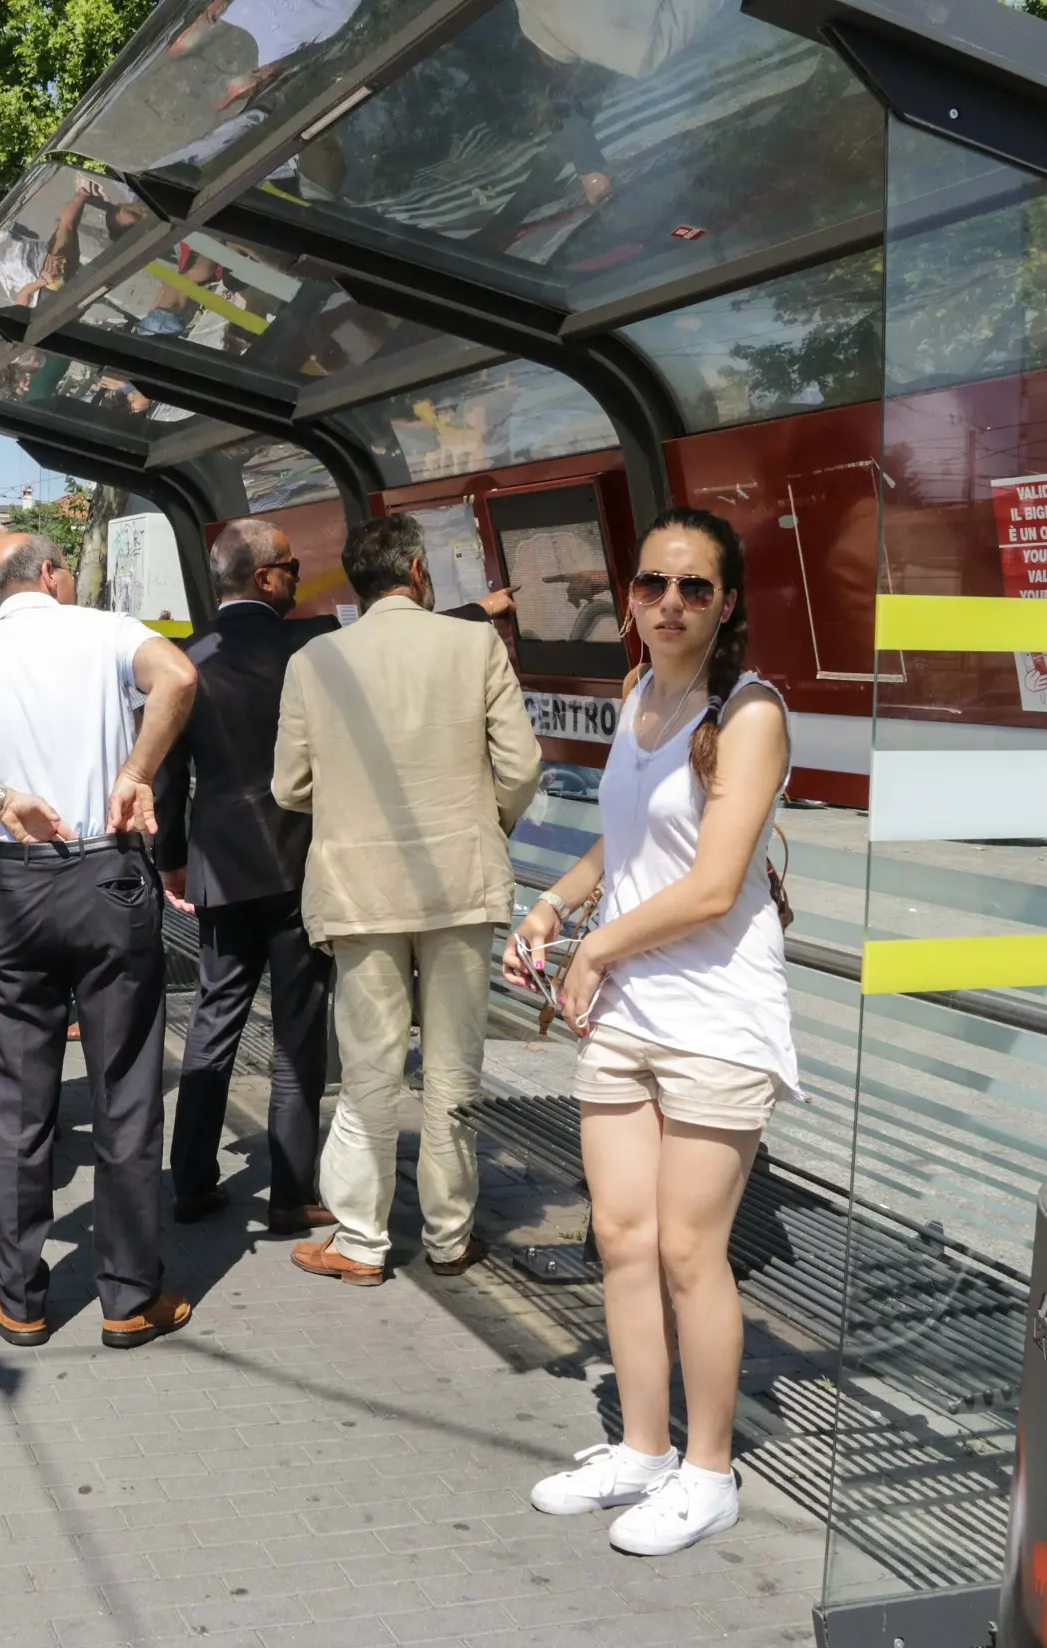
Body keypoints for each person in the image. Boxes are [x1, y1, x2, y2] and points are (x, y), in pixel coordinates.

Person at [504, 506, 793, 1557]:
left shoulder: (750, 714)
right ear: (628, 598)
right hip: (629, 1008)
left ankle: (708, 1468)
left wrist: (593, 949)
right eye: (652, 585)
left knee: (687, 1247)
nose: (669, 603)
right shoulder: (637, 696)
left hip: (716, 1015)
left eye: (694, 588)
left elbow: (716, 884)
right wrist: (552, 905)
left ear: (728, 605)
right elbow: (620, 842)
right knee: (621, 1238)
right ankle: (641, 1445)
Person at [0, 533, 200, 1352]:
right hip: (107, 881)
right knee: (125, 1086)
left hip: (11, 885)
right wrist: (136, 772)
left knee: (18, 1097)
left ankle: (19, 1297)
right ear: (52, 574)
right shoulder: (105, 630)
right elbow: (180, 677)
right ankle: (129, 1298)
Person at [273, 512, 540, 1287]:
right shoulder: (473, 643)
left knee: (369, 1070)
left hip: (360, 892)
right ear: (419, 572)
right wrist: (486, 825)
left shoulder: (314, 660)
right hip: (459, 884)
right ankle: (451, 1237)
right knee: (454, 1069)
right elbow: (520, 764)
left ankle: (360, 1242)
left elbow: (289, 786)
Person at [152, 519, 337, 1237]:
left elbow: (166, 776)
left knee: (214, 1016)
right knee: (298, 1030)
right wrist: (487, 611)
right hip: (299, 860)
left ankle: (193, 1180)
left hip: (222, 861)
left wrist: (172, 857)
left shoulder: (185, 660)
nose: (297, 576)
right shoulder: (311, 644)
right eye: (290, 566)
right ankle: (292, 1193)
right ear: (263, 577)